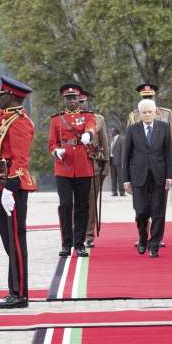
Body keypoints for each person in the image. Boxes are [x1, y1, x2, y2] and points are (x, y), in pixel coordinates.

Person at [0, 76, 36, 309]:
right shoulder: (6, 117)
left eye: (1, 93)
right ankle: (15, 290)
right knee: (8, 242)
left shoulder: (20, 122)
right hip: (0, 185)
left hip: (12, 188)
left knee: (15, 242)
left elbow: (21, 159)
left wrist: (10, 189)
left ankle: (19, 294)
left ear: (11, 96)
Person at [122, 98, 172, 258]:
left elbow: (169, 153)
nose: (147, 115)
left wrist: (169, 176)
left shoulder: (164, 128)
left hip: (159, 176)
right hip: (138, 176)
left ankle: (154, 245)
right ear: (139, 114)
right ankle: (143, 238)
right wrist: (126, 180)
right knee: (141, 212)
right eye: (144, 112)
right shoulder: (132, 130)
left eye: (149, 112)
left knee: (158, 213)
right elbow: (126, 156)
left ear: (155, 112)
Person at [48, 83, 96, 258]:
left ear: (79, 99)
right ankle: (66, 243)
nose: (72, 101)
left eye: (74, 98)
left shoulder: (87, 116)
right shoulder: (56, 119)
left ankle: (79, 243)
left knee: (82, 205)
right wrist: (55, 151)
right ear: (64, 100)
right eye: (68, 99)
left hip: (83, 166)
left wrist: (88, 135)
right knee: (66, 204)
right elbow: (51, 142)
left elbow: (92, 127)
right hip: (64, 167)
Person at [81, 89, 110, 248]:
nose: (81, 104)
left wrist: (106, 166)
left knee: (91, 202)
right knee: (77, 202)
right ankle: (77, 231)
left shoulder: (98, 120)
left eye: (83, 101)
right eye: (78, 101)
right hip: (75, 168)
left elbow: (105, 144)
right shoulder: (66, 119)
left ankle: (89, 235)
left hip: (94, 167)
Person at [109, 127, 124, 196]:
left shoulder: (121, 139)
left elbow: (123, 151)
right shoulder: (112, 140)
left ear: (115, 132)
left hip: (119, 161)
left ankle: (122, 191)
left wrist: (123, 162)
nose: (111, 133)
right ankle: (114, 191)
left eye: (112, 131)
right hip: (111, 161)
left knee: (120, 177)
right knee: (113, 177)